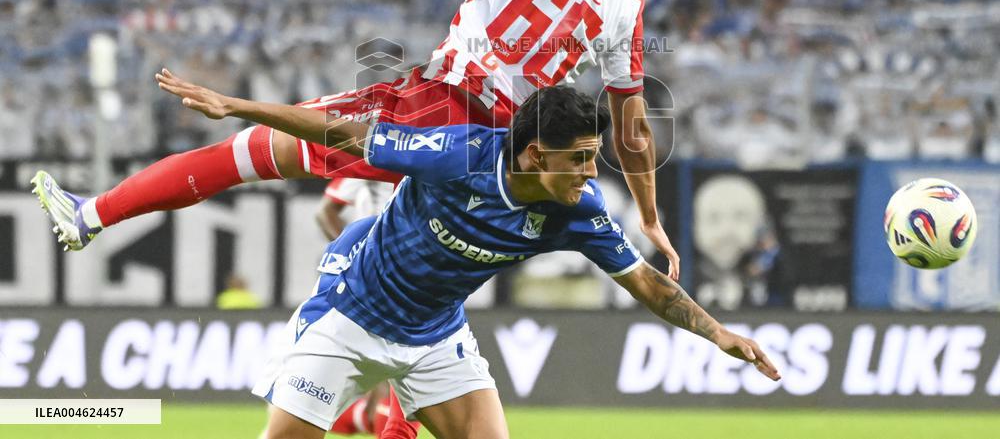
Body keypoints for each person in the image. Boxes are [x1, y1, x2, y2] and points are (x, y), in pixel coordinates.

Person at [31, 0, 681, 279]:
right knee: (418, 290)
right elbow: (633, 132)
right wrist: (649, 217)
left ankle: (90, 216)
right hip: (501, 157)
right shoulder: (626, 4)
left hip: (435, 109)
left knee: (252, 151)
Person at [147, 73, 780, 439]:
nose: (591, 174)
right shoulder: (458, 156)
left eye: (594, 158)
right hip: (350, 316)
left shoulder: (577, 211)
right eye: (580, 159)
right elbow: (346, 134)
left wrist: (718, 333)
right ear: (535, 154)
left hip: (435, 336)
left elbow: (645, 281)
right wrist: (237, 108)